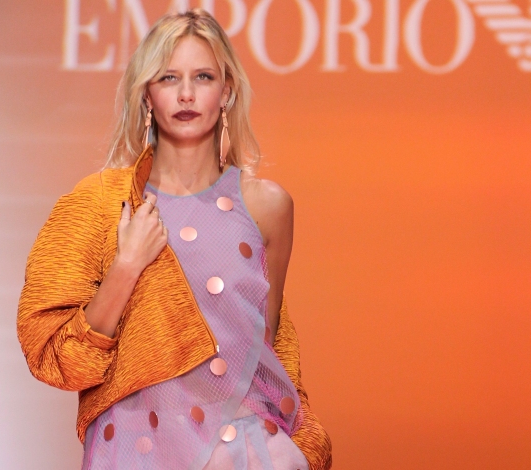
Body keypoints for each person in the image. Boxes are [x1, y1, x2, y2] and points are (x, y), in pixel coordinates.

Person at [17, 9, 331, 469]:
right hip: (134, 451)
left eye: (203, 77)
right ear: (147, 93)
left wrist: (301, 445)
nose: (186, 94)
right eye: (168, 78)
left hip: (244, 451)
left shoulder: (267, 207)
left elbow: (267, 347)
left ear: (227, 91)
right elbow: (54, 357)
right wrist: (127, 267)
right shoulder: (99, 204)